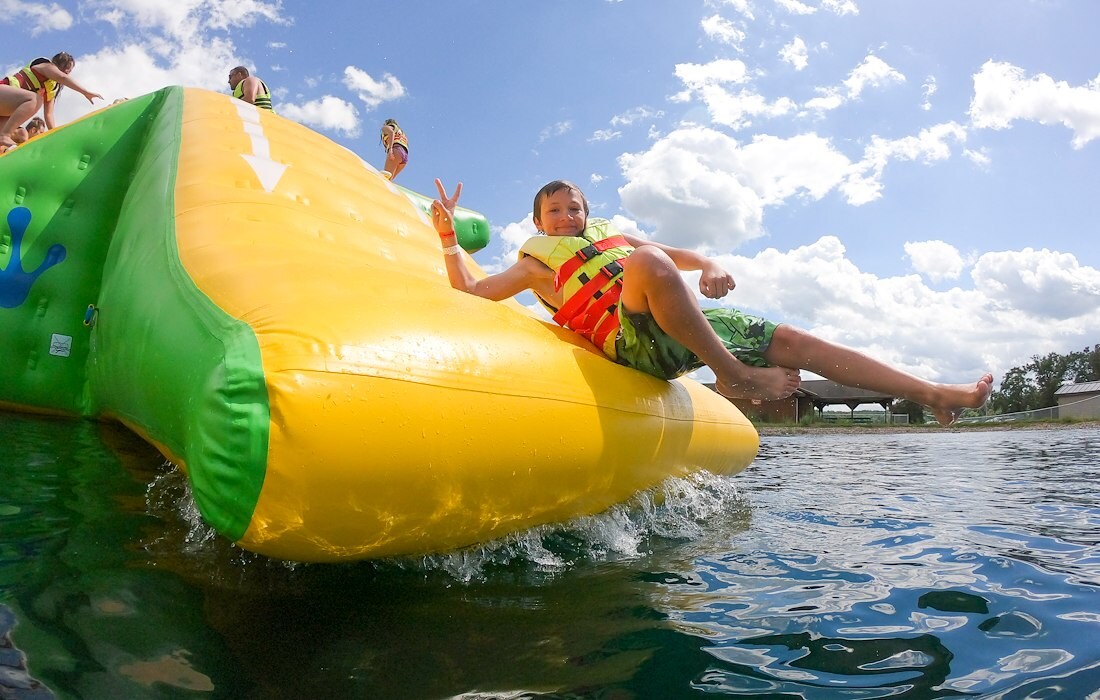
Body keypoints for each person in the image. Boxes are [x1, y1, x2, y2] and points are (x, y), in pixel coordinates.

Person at [429, 178, 994, 426]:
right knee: (651, 264)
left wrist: (716, 266)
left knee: (795, 340)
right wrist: (450, 239)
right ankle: (734, 376)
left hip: (682, 322)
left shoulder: (619, 240)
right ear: (538, 223)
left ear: (586, 211)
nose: (567, 217)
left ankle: (935, 394)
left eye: (574, 208)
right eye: (555, 212)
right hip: (634, 344)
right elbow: (472, 293)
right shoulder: (536, 265)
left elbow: (691, 257)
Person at [0, 52, 102, 148]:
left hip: (4, 112)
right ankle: (5, 135)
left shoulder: (51, 88)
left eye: (69, 70)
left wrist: (55, 136)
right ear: (58, 65)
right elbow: (62, 77)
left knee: (21, 136)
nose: (68, 73)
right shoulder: (45, 65)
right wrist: (85, 92)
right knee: (35, 99)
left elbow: (49, 115)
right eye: (67, 68)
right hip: (3, 92)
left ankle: (4, 140)